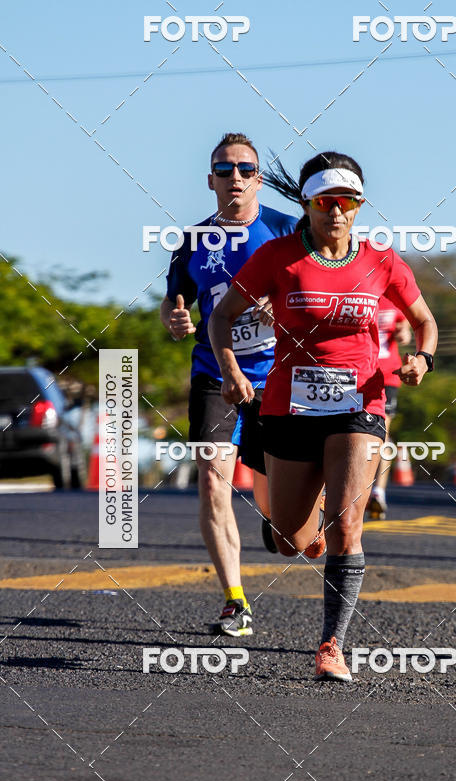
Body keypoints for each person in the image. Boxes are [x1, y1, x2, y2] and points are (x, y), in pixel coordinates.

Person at [208, 151, 438, 681]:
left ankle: (332, 645)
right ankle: (298, 526)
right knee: (290, 538)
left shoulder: (382, 261)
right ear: (307, 205)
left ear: (359, 207)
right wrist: (230, 371)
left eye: (347, 203)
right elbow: (223, 318)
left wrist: (421, 358)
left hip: (360, 404)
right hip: (288, 406)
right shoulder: (279, 258)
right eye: (324, 203)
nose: (336, 213)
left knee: (347, 526)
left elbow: (424, 321)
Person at [161, 133, 296, 636]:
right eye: (224, 169)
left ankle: (281, 513)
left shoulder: (287, 230)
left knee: (284, 511)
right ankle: (235, 600)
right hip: (214, 374)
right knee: (214, 481)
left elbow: (319, 287)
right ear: (211, 180)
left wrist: (280, 307)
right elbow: (174, 300)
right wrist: (174, 318)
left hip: (281, 374)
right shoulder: (193, 240)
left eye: (244, 168)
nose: (234, 177)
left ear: (258, 178)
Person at [365, 296, 412, 519]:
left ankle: (378, 493)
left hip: (387, 376)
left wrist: (404, 333)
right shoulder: (354, 290)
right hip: (355, 373)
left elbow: (405, 329)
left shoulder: (393, 299)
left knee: (381, 434)